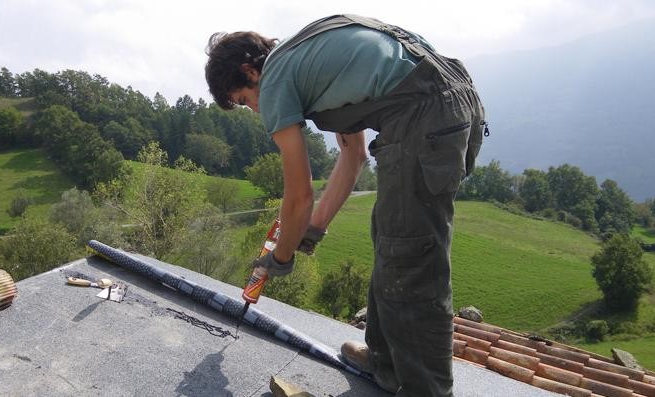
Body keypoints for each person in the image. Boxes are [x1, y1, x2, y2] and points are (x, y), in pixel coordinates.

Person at [205, 14, 485, 397]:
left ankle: (429, 391)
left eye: (243, 100)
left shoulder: (275, 82)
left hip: (426, 117)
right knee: (392, 237)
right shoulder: (311, 63)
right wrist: (314, 228)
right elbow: (352, 157)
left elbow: (299, 194)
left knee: (412, 254)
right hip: (446, 106)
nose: (254, 110)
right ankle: (385, 362)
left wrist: (280, 257)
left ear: (249, 71)